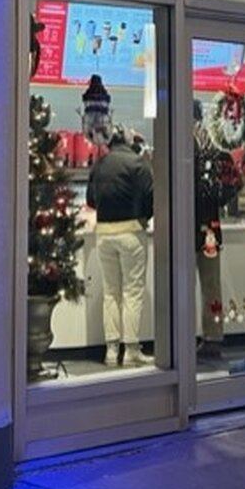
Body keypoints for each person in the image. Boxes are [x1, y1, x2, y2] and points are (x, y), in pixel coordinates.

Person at [87, 126, 154, 367]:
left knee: (111, 292)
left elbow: (90, 200)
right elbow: (151, 197)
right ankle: (131, 349)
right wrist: (144, 217)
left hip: (104, 233)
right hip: (131, 232)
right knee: (132, 293)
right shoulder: (138, 163)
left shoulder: (99, 164)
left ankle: (111, 350)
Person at [194, 101, 243, 360]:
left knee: (186, 285)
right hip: (209, 227)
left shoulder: (180, 145)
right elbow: (235, 182)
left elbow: (234, 182)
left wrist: (214, 199)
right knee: (210, 285)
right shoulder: (215, 147)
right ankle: (212, 337)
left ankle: (190, 337)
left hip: (188, 227)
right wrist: (217, 201)